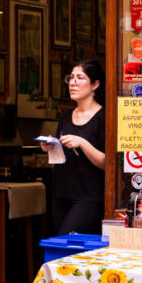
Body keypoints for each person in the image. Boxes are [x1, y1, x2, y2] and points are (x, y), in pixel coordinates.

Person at [44, 59, 106, 235]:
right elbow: (60, 156)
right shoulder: (65, 116)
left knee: (67, 242)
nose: (73, 83)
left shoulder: (103, 117)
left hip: (88, 197)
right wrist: (50, 146)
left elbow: (107, 164)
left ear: (95, 85)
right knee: (61, 245)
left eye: (80, 78)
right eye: (71, 78)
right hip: (61, 193)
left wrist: (83, 143)